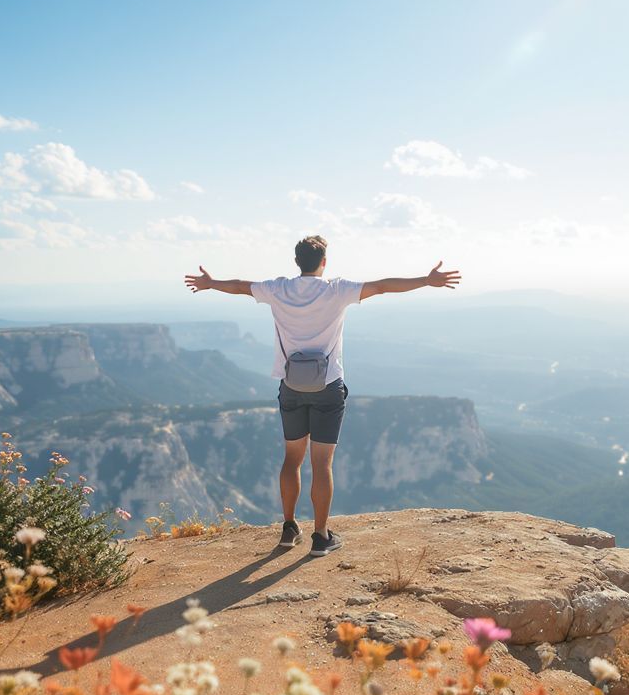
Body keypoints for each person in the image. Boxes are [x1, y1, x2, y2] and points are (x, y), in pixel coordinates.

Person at [183, 235, 461, 556]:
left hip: (291, 385)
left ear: (297, 261)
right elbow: (383, 286)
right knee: (322, 463)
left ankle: (288, 528)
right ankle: (320, 535)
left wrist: (210, 283)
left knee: (292, 459)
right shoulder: (336, 290)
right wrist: (427, 280)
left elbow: (240, 286)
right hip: (328, 387)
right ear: (324, 262)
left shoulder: (278, 289)